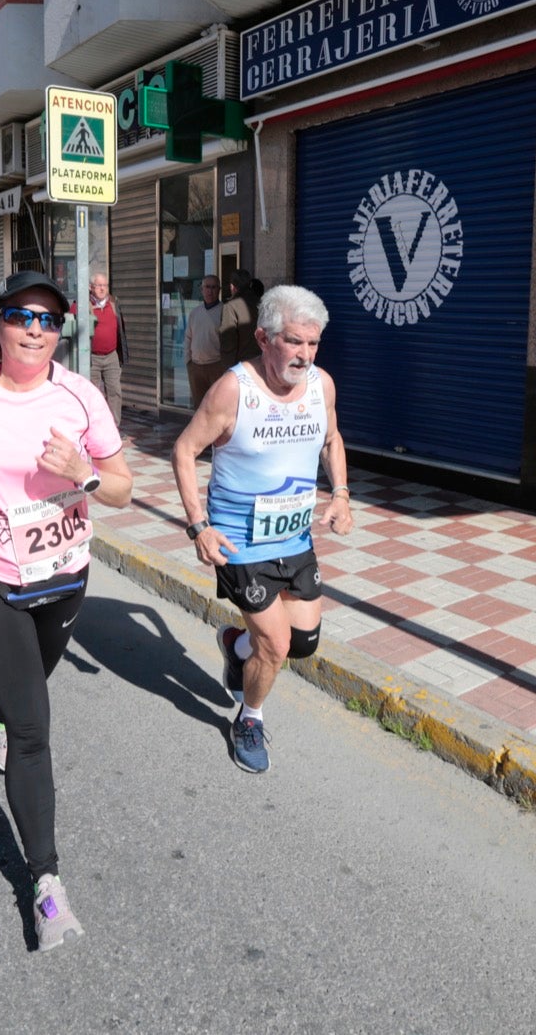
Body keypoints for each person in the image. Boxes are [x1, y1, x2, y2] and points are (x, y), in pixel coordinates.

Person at [0, 269, 133, 950]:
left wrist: (83, 473)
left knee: (26, 692)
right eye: (22, 316)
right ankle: (46, 884)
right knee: (35, 728)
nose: (36, 329)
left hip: (63, 576)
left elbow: (121, 486)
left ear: (60, 331)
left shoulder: (81, 396)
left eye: (48, 318)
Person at [171, 284, 353, 774]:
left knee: (304, 643)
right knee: (275, 645)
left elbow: (332, 439)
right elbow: (184, 451)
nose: (305, 355)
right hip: (240, 540)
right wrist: (199, 527)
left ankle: (236, 645)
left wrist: (340, 495)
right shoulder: (235, 389)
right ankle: (249, 719)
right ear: (264, 337)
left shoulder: (322, 385)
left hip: (295, 536)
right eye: (295, 342)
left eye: (313, 344)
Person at [85, 271, 127, 427]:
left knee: (115, 392)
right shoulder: (82, 304)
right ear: (91, 287)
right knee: (92, 394)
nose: (102, 289)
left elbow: (121, 328)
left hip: (111, 356)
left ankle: (114, 427)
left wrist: (122, 354)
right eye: (99, 285)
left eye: (105, 285)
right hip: (91, 358)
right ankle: (92, 427)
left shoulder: (114, 303)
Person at [182, 274, 224, 407]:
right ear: (201, 290)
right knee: (199, 407)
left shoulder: (225, 311)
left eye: (213, 287)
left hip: (216, 366)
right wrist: (188, 362)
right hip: (196, 367)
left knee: (216, 406)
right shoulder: (195, 312)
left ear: (219, 289)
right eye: (207, 287)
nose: (210, 291)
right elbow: (188, 338)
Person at [217, 270, 264, 366]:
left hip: (242, 365)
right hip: (262, 361)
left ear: (232, 287)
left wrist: (228, 369)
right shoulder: (263, 303)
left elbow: (228, 340)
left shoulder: (231, 306)